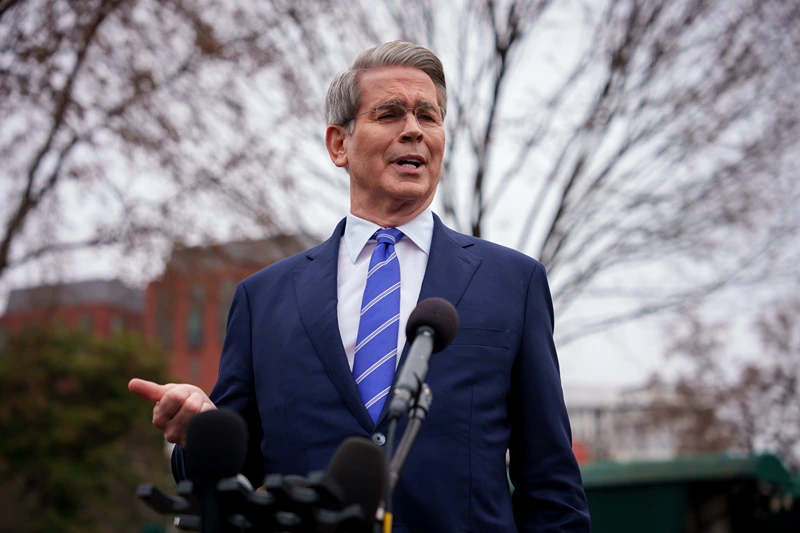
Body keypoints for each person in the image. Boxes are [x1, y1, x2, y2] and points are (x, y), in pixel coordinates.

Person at [129, 40, 590, 532]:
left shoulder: (513, 283)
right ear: (338, 144)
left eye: (428, 117)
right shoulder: (264, 299)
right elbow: (233, 474)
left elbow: (551, 485)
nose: (413, 130)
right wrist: (200, 433)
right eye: (390, 114)